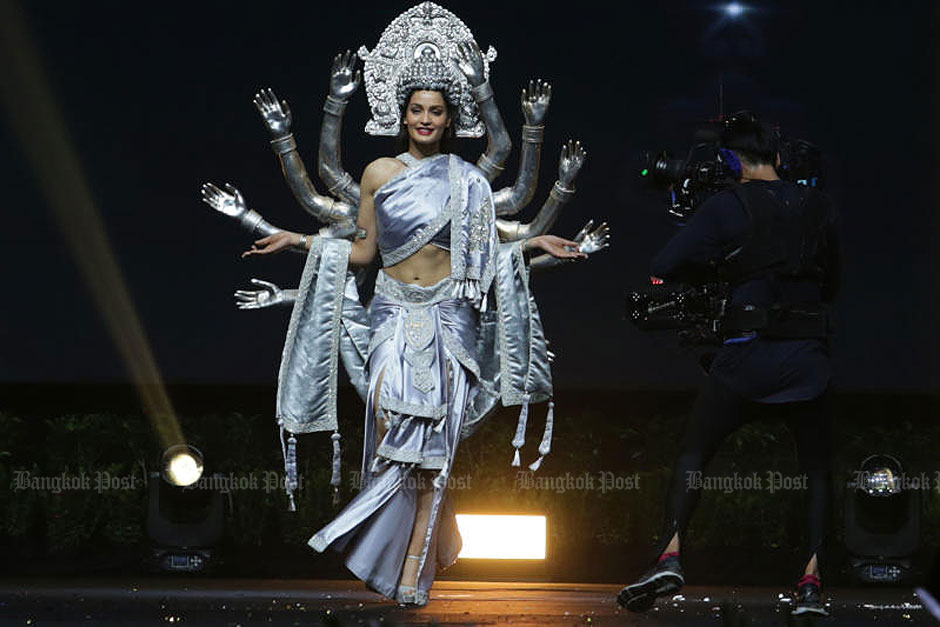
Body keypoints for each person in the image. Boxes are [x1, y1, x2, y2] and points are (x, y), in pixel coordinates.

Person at [242, 63, 585, 605]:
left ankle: (412, 573)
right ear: (402, 116)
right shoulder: (379, 172)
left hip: (450, 317)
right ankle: (369, 539)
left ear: (449, 121)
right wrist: (297, 240)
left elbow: (484, 255)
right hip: (393, 314)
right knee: (392, 435)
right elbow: (362, 252)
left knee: (435, 452)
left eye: (436, 111)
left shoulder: (467, 179)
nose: (426, 119)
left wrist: (535, 246)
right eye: (417, 110)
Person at [618, 112, 839, 617]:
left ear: (733, 159)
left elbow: (664, 266)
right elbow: (833, 283)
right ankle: (811, 582)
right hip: (807, 362)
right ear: (779, 158)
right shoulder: (819, 205)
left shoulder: (725, 205)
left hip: (745, 359)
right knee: (818, 471)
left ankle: (670, 555)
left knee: (694, 453)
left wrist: (722, 262)